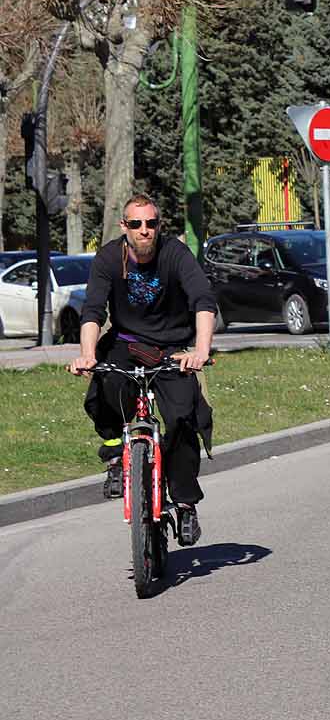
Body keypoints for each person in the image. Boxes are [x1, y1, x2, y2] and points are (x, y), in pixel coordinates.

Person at [70, 194, 217, 547]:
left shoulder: (175, 254)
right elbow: (93, 311)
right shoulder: (109, 257)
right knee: (106, 385)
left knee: (182, 418)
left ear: (158, 225)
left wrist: (199, 350)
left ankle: (184, 503)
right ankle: (117, 459)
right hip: (126, 343)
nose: (144, 230)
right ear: (125, 227)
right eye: (136, 224)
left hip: (172, 349)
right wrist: (87, 355)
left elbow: (203, 301)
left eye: (151, 223)